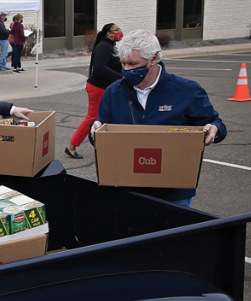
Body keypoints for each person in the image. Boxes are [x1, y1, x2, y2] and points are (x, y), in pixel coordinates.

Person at [90, 30, 226, 207]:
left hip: (174, 193)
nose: (127, 70)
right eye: (123, 64)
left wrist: (214, 129)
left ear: (153, 59)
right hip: (128, 190)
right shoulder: (113, 93)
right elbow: (100, 130)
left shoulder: (186, 91)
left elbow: (217, 124)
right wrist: (95, 132)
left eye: (133, 64)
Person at [64, 23, 122, 159]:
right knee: (92, 117)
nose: (120, 32)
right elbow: (100, 67)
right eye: (117, 30)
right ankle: (71, 147)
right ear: (109, 33)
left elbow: (113, 64)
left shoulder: (110, 46)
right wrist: (121, 77)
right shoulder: (104, 46)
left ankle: (109, 144)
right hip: (98, 87)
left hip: (106, 87)